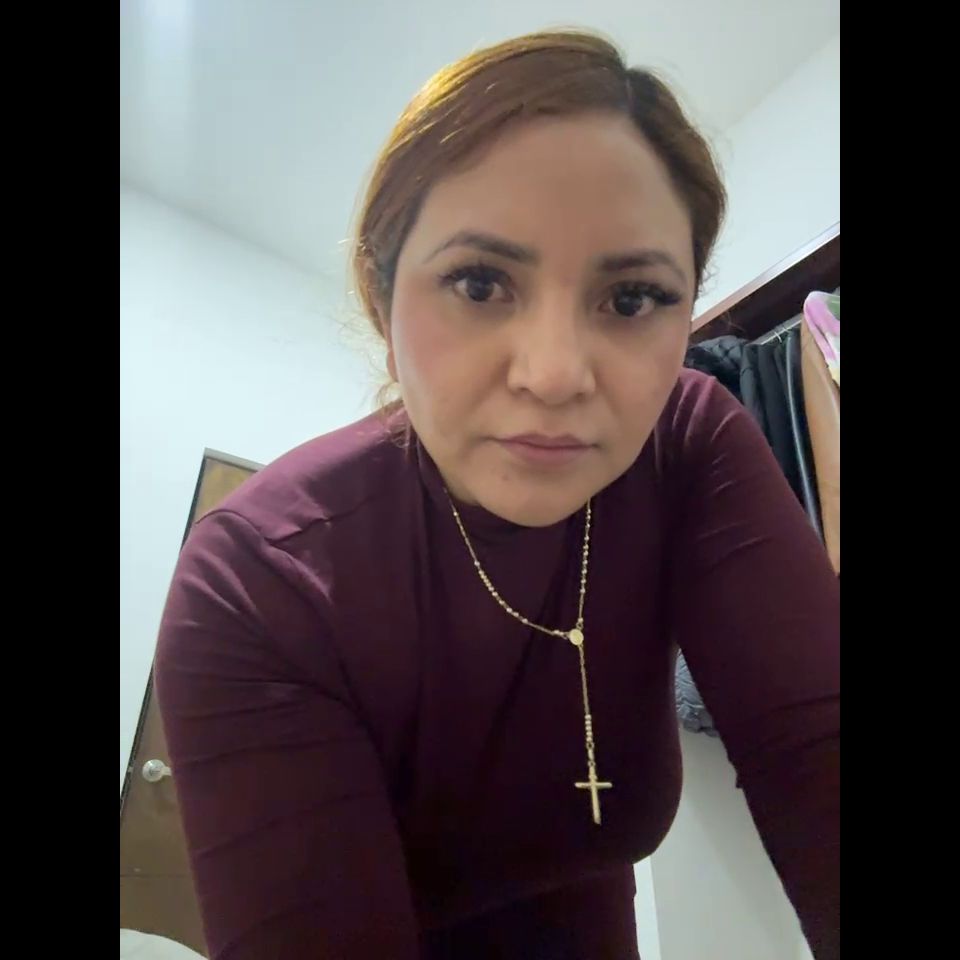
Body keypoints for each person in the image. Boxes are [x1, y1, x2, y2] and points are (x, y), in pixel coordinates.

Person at [154, 30, 839, 960]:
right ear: (381, 298)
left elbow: (819, 750)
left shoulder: (685, 443)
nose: (555, 375)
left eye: (631, 298)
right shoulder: (258, 577)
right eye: (480, 283)